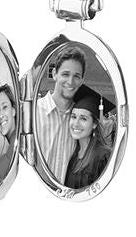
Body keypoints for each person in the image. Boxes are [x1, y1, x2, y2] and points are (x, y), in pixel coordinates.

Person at [35, 46, 86, 183]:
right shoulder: (34, 113)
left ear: (81, 80)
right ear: (54, 74)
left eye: (76, 76)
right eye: (65, 74)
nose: (70, 82)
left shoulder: (80, 122)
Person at [64, 96, 111, 189]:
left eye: (83, 119)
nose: (76, 124)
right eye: (73, 117)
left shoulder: (103, 157)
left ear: (94, 124)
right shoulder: (71, 152)